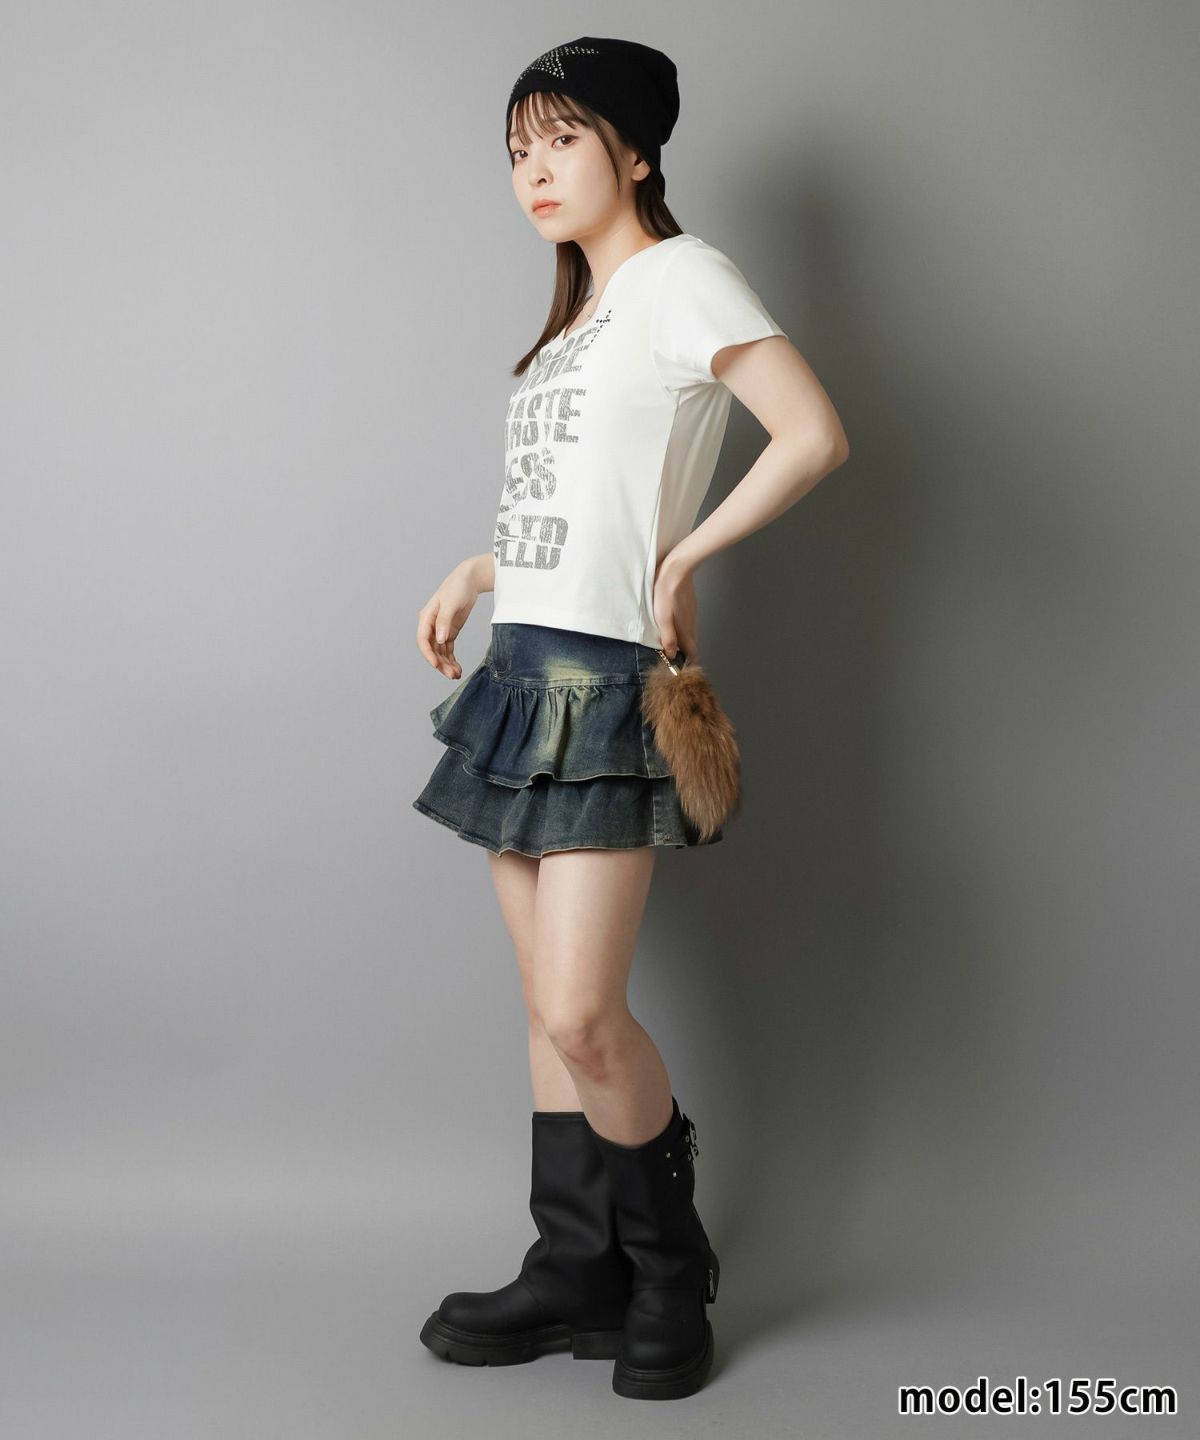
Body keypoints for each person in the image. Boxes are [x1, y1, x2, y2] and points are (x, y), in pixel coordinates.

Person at [412, 36, 849, 1402]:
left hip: (605, 685)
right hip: (518, 676)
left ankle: (670, 1268)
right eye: (517, 150)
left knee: (582, 1008)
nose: (534, 170)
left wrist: (687, 556)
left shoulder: (681, 277)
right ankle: (574, 1267)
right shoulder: (574, 326)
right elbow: (585, 509)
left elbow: (811, 431)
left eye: (561, 138)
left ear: (637, 151)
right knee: (544, 1012)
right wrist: (482, 568)